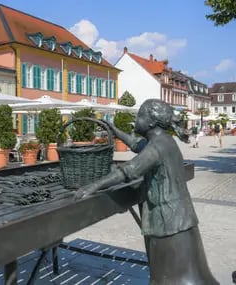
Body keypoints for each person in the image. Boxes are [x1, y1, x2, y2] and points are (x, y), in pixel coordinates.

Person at [75, 99, 218, 285]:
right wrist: (114, 130)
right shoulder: (163, 140)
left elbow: (129, 170)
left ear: (151, 122)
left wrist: (92, 186)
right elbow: (137, 145)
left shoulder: (158, 146)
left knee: (169, 277)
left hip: (169, 222)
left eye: (140, 116)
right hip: (179, 218)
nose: (136, 120)